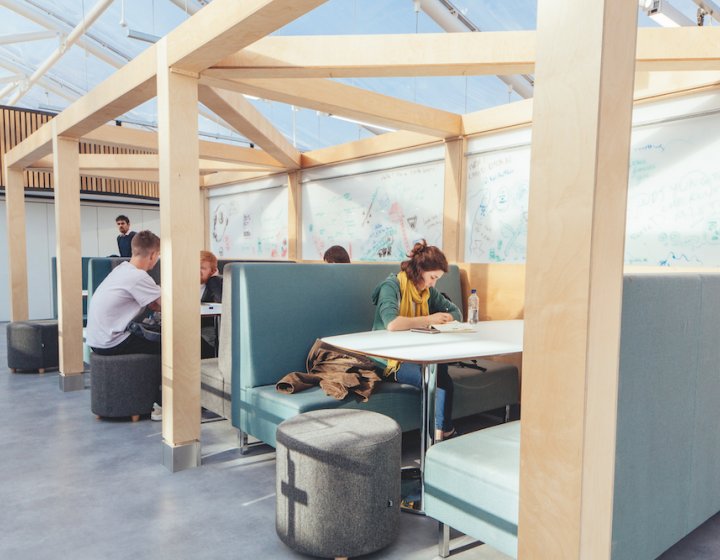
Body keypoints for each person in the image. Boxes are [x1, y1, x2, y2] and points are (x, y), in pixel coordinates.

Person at [371, 240, 462, 441]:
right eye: (432, 277)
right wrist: (429, 319)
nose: (433, 283)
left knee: (440, 371)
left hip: (414, 354)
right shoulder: (391, 286)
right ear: (420, 270)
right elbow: (392, 323)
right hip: (387, 360)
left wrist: (446, 318)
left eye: (437, 278)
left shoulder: (427, 292)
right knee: (436, 377)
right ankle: (441, 433)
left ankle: (440, 433)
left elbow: (456, 312)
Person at [86, 230, 161, 357]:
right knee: (176, 344)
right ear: (153, 255)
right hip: (112, 343)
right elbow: (169, 306)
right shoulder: (138, 276)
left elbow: (155, 304)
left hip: (97, 340)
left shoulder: (121, 269)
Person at [200, 250, 223, 359]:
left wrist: (213, 279)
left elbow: (221, 301)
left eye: (202, 268)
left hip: (205, 330)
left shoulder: (214, 285)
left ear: (213, 271)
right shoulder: (183, 283)